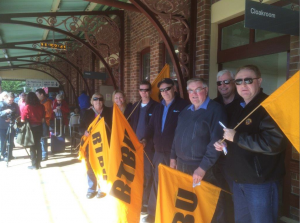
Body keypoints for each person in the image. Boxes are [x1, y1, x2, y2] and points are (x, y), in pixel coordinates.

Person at [214, 65, 287, 223]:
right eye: (239, 81)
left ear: (259, 81)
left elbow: (274, 143)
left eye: (248, 80)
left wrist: (237, 138)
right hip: (239, 179)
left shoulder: (269, 106)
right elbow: (234, 137)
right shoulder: (239, 107)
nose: (243, 85)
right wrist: (225, 144)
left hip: (260, 183)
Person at [170, 78, 228, 223]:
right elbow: (177, 135)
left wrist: (202, 168)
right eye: (190, 90)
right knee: (189, 205)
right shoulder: (186, 111)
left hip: (204, 168)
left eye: (198, 89)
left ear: (206, 90)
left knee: (211, 205)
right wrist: (173, 157)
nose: (194, 94)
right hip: (183, 166)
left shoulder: (216, 109)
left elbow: (217, 141)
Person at [142, 78, 189, 223]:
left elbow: (184, 131)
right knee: (157, 183)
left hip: (174, 154)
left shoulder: (184, 105)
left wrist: (176, 154)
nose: (165, 92)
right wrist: (144, 139)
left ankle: (170, 213)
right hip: (158, 153)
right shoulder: (158, 107)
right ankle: (153, 213)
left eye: (167, 88)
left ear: (174, 88)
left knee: (173, 184)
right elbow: (151, 127)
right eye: (162, 90)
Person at [129, 80, 159, 214]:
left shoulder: (156, 106)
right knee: (136, 175)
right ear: (139, 92)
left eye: (146, 90)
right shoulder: (135, 106)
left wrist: (147, 140)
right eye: (141, 90)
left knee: (147, 175)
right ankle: (137, 199)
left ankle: (145, 202)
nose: (144, 92)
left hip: (149, 148)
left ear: (150, 91)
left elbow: (156, 128)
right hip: (135, 148)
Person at [81, 93, 112, 199]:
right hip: (91, 144)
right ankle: (91, 188)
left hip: (105, 144)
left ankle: (102, 188)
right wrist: (84, 131)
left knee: (103, 166)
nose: (98, 101)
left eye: (100, 99)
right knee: (90, 166)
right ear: (92, 101)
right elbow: (81, 126)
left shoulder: (109, 111)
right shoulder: (87, 113)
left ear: (103, 101)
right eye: (95, 99)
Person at [21, 92, 45, 169]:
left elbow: (22, 120)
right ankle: (39, 164)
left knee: (32, 146)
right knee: (38, 145)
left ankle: (34, 164)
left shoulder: (27, 107)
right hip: (39, 128)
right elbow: (43, 119)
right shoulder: (41, 106)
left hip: (31, 129)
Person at [0, 92, 20, 161]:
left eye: (12, 100)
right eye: (9, 100)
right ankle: (4, 154)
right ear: (6, 98)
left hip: (11, 124)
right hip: (2, 126)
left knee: (11, 141)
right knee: (3, 141)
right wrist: (5, 112)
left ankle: (10, 154)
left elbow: (18, 114)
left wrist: (12, 118)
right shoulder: (1, 104)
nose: (11, 102)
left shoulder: (15, 105)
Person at [36, 88, 53, 161]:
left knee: (43, 139)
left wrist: (42, 118)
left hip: (44, 122)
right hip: (40, 122)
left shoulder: (47, 102)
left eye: (37, 94)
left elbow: (48, 113)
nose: (36, 96)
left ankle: (44, 155)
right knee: (41, 139)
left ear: (41, 94)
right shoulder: (40, 102)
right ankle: (42, 154)